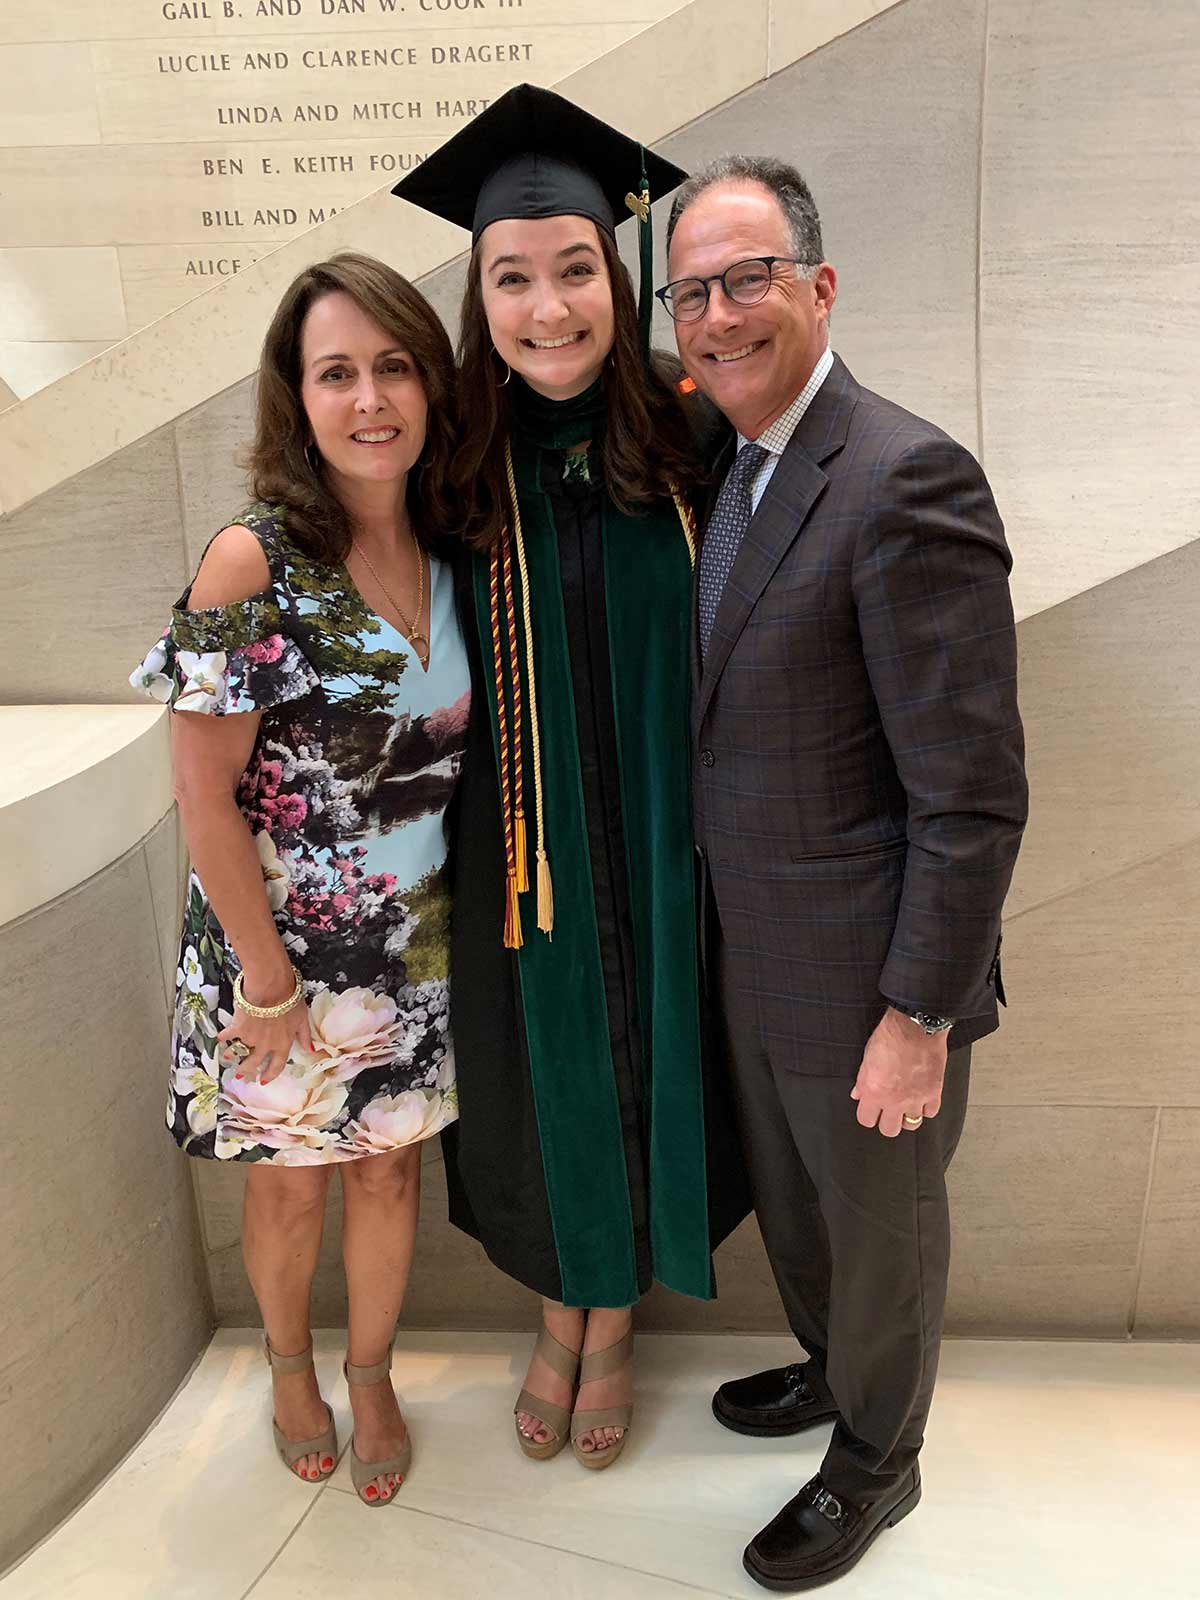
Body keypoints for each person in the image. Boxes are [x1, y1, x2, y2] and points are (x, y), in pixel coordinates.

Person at [660, 157, 1028, 1588]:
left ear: (819, 286)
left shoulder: (902, 474)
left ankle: (882, 1464)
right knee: (810, 1221)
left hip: (871, 979)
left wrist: (919, 1015)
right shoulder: (731, 469)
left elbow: (973, 794)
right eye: (693, 291)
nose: (719, 312)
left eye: (749, 276)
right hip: (757, 955)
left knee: (884, 1236)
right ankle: (836, 1373)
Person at [393, 85, 748, 1470]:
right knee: (541, 1090)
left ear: (624, 274)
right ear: (478, 295)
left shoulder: (691, 438)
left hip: (672, 840)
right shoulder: (449, 464)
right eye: (512, 278)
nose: (549, 307)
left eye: (578, 269)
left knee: (662, 1060)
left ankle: (620, 1317)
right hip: (516, 854)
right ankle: (565, 1314)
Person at [129, 252, 470, 1507]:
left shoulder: (453, 545)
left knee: (389, 1172)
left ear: (432, 386)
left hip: (410, 957)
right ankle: (288, 1368)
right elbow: (201, 793)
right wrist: (267, 986)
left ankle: (370, 1368)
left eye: (393, 368)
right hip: (274, 958)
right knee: (291, 1187)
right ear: (297, 394)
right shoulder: (253, 561)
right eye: (338, 372)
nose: (370, 398)